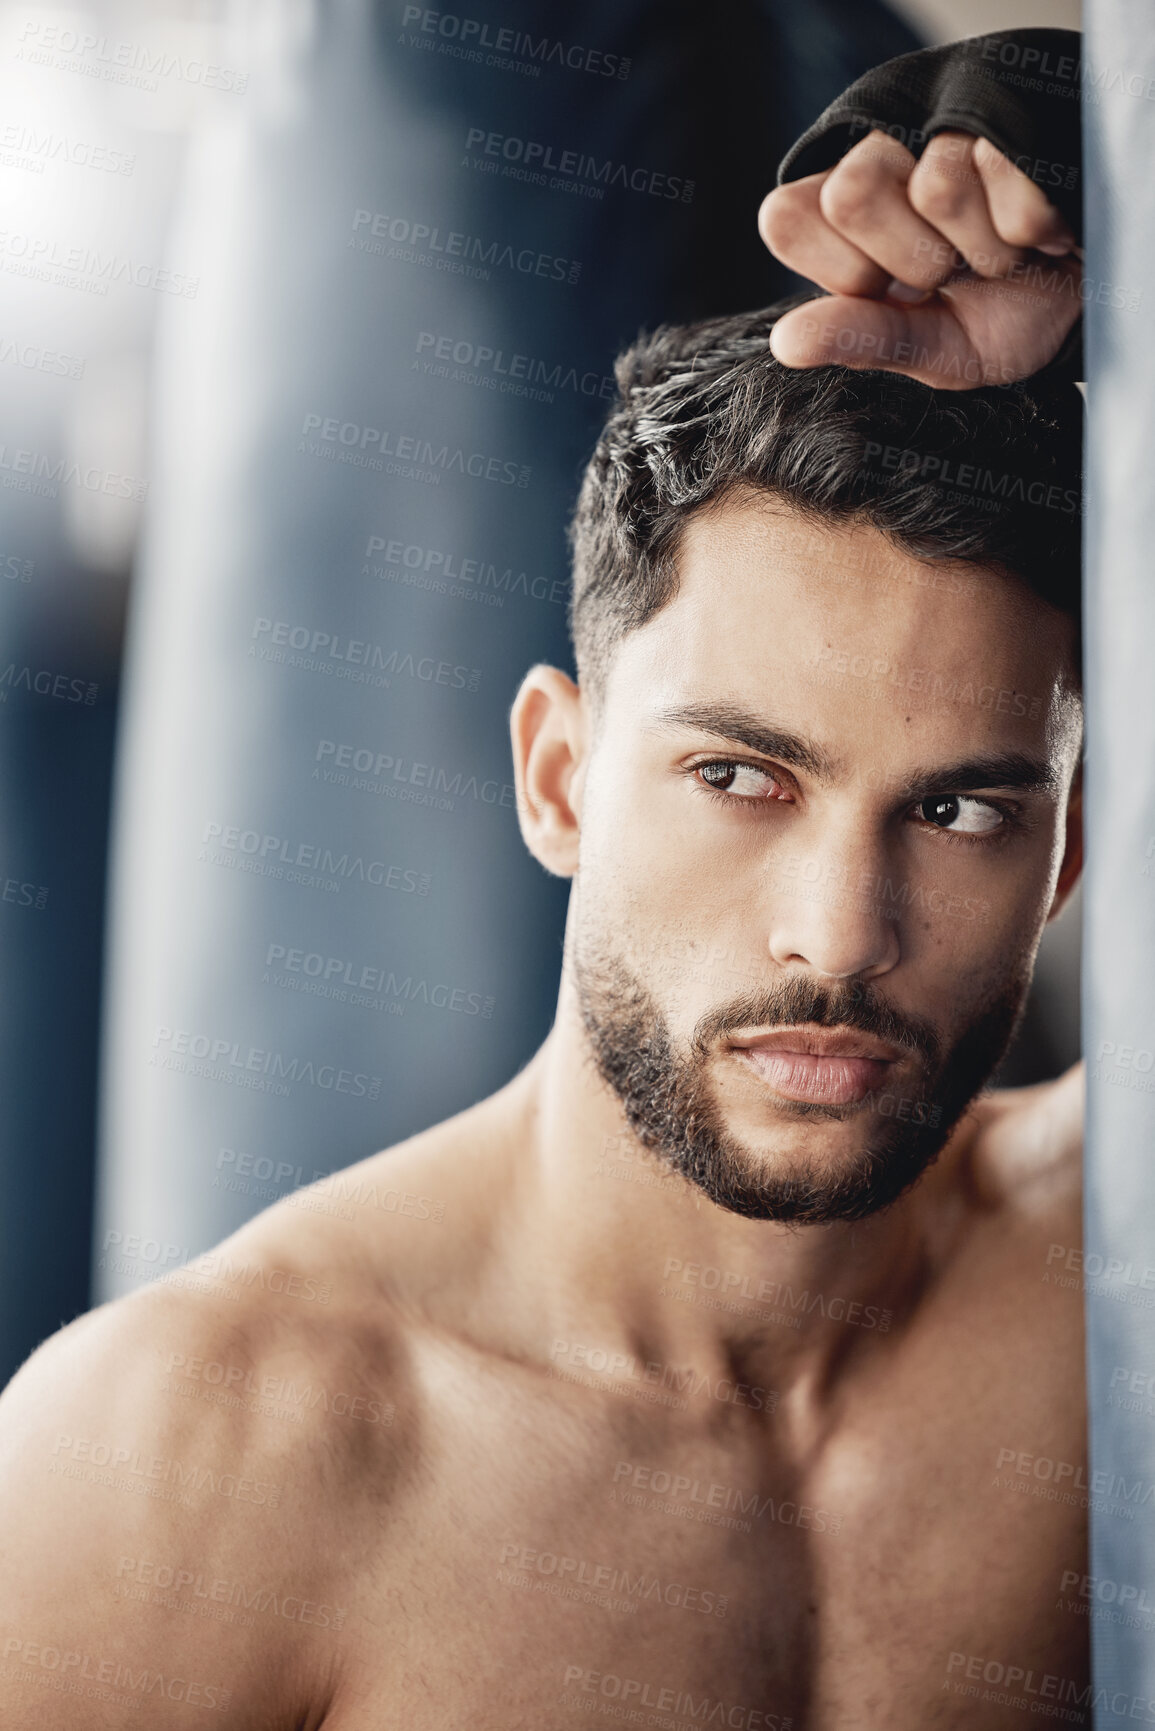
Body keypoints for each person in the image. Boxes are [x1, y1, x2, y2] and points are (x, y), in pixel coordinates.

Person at [0, 28, 1092, 1728]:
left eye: (958, 815)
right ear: (560, 776)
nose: (838, 935)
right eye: (741, 777)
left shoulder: (1111, 1277)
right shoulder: (184, 1459)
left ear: (1068, 855)